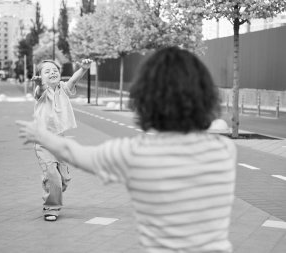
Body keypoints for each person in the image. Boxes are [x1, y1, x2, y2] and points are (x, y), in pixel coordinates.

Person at [17, 47, 237, 252]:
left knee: (60, 175)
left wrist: (40, 135)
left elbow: (76, 154)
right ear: (207, 95)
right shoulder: (224, 150)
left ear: (143, 100)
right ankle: (52, 202)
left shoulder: (134, 152)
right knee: (55, 176)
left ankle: (55, 190)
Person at [30, 59, 92, 222]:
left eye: (55, 70)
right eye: (47, 71)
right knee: (53, 176)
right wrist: (41, 84)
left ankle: (52, 186)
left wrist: (83, 69)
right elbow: (40, 89)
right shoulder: (41, 92)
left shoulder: (63, 88)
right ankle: (51, 208)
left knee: (63, 179)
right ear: (40, 77)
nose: (52, 72)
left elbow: (73, 80)